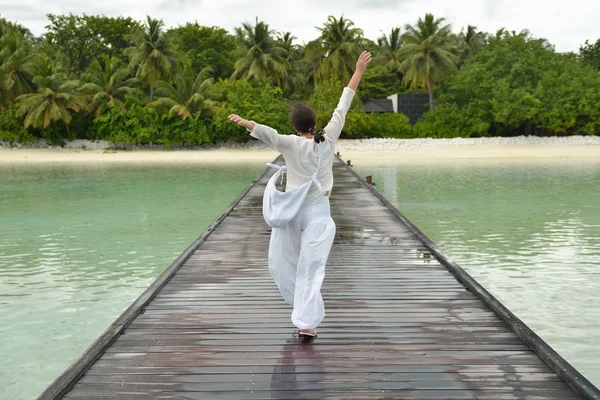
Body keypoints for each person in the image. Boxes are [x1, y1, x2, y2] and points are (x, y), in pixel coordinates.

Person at [228, 51, 372, 342]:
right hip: (319, 214)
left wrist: (245, 122)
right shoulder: (328, 138)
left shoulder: (290, 144)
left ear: (294, 126)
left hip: (293, 213)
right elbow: (343, 105)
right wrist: (357, 70)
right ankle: (305, 318)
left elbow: (267, 133)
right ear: (314, 122)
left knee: (283, 264)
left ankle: (305, 319)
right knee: (311, 267)